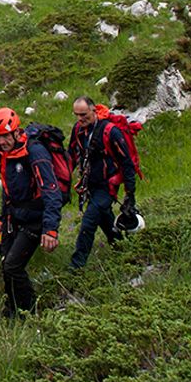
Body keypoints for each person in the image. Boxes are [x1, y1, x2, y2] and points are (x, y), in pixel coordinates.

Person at [0, 107, 62, 318]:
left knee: (13, 266)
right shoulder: (6, 153)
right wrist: (5, 220)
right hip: (15, 216)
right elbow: (8, 191)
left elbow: (51, 191)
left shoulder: (35, 152)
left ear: (15, 131)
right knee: (6, 263)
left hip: (35, 219)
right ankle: (12, 309)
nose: (1, 141)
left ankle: (31, 312)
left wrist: (50, 229)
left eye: (4, 136)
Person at [66, 96, 137, 269]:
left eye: (83, 114)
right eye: (76, 115)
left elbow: (127, 163)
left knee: (89, 222)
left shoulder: (110, 131)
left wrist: (130, 194)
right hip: (90, 184)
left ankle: (76, 267)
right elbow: (71, 157)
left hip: (107, 186)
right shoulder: (78, 130)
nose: (80, 119)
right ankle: (123, 250)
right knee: (104, 218)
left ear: (93, 110)